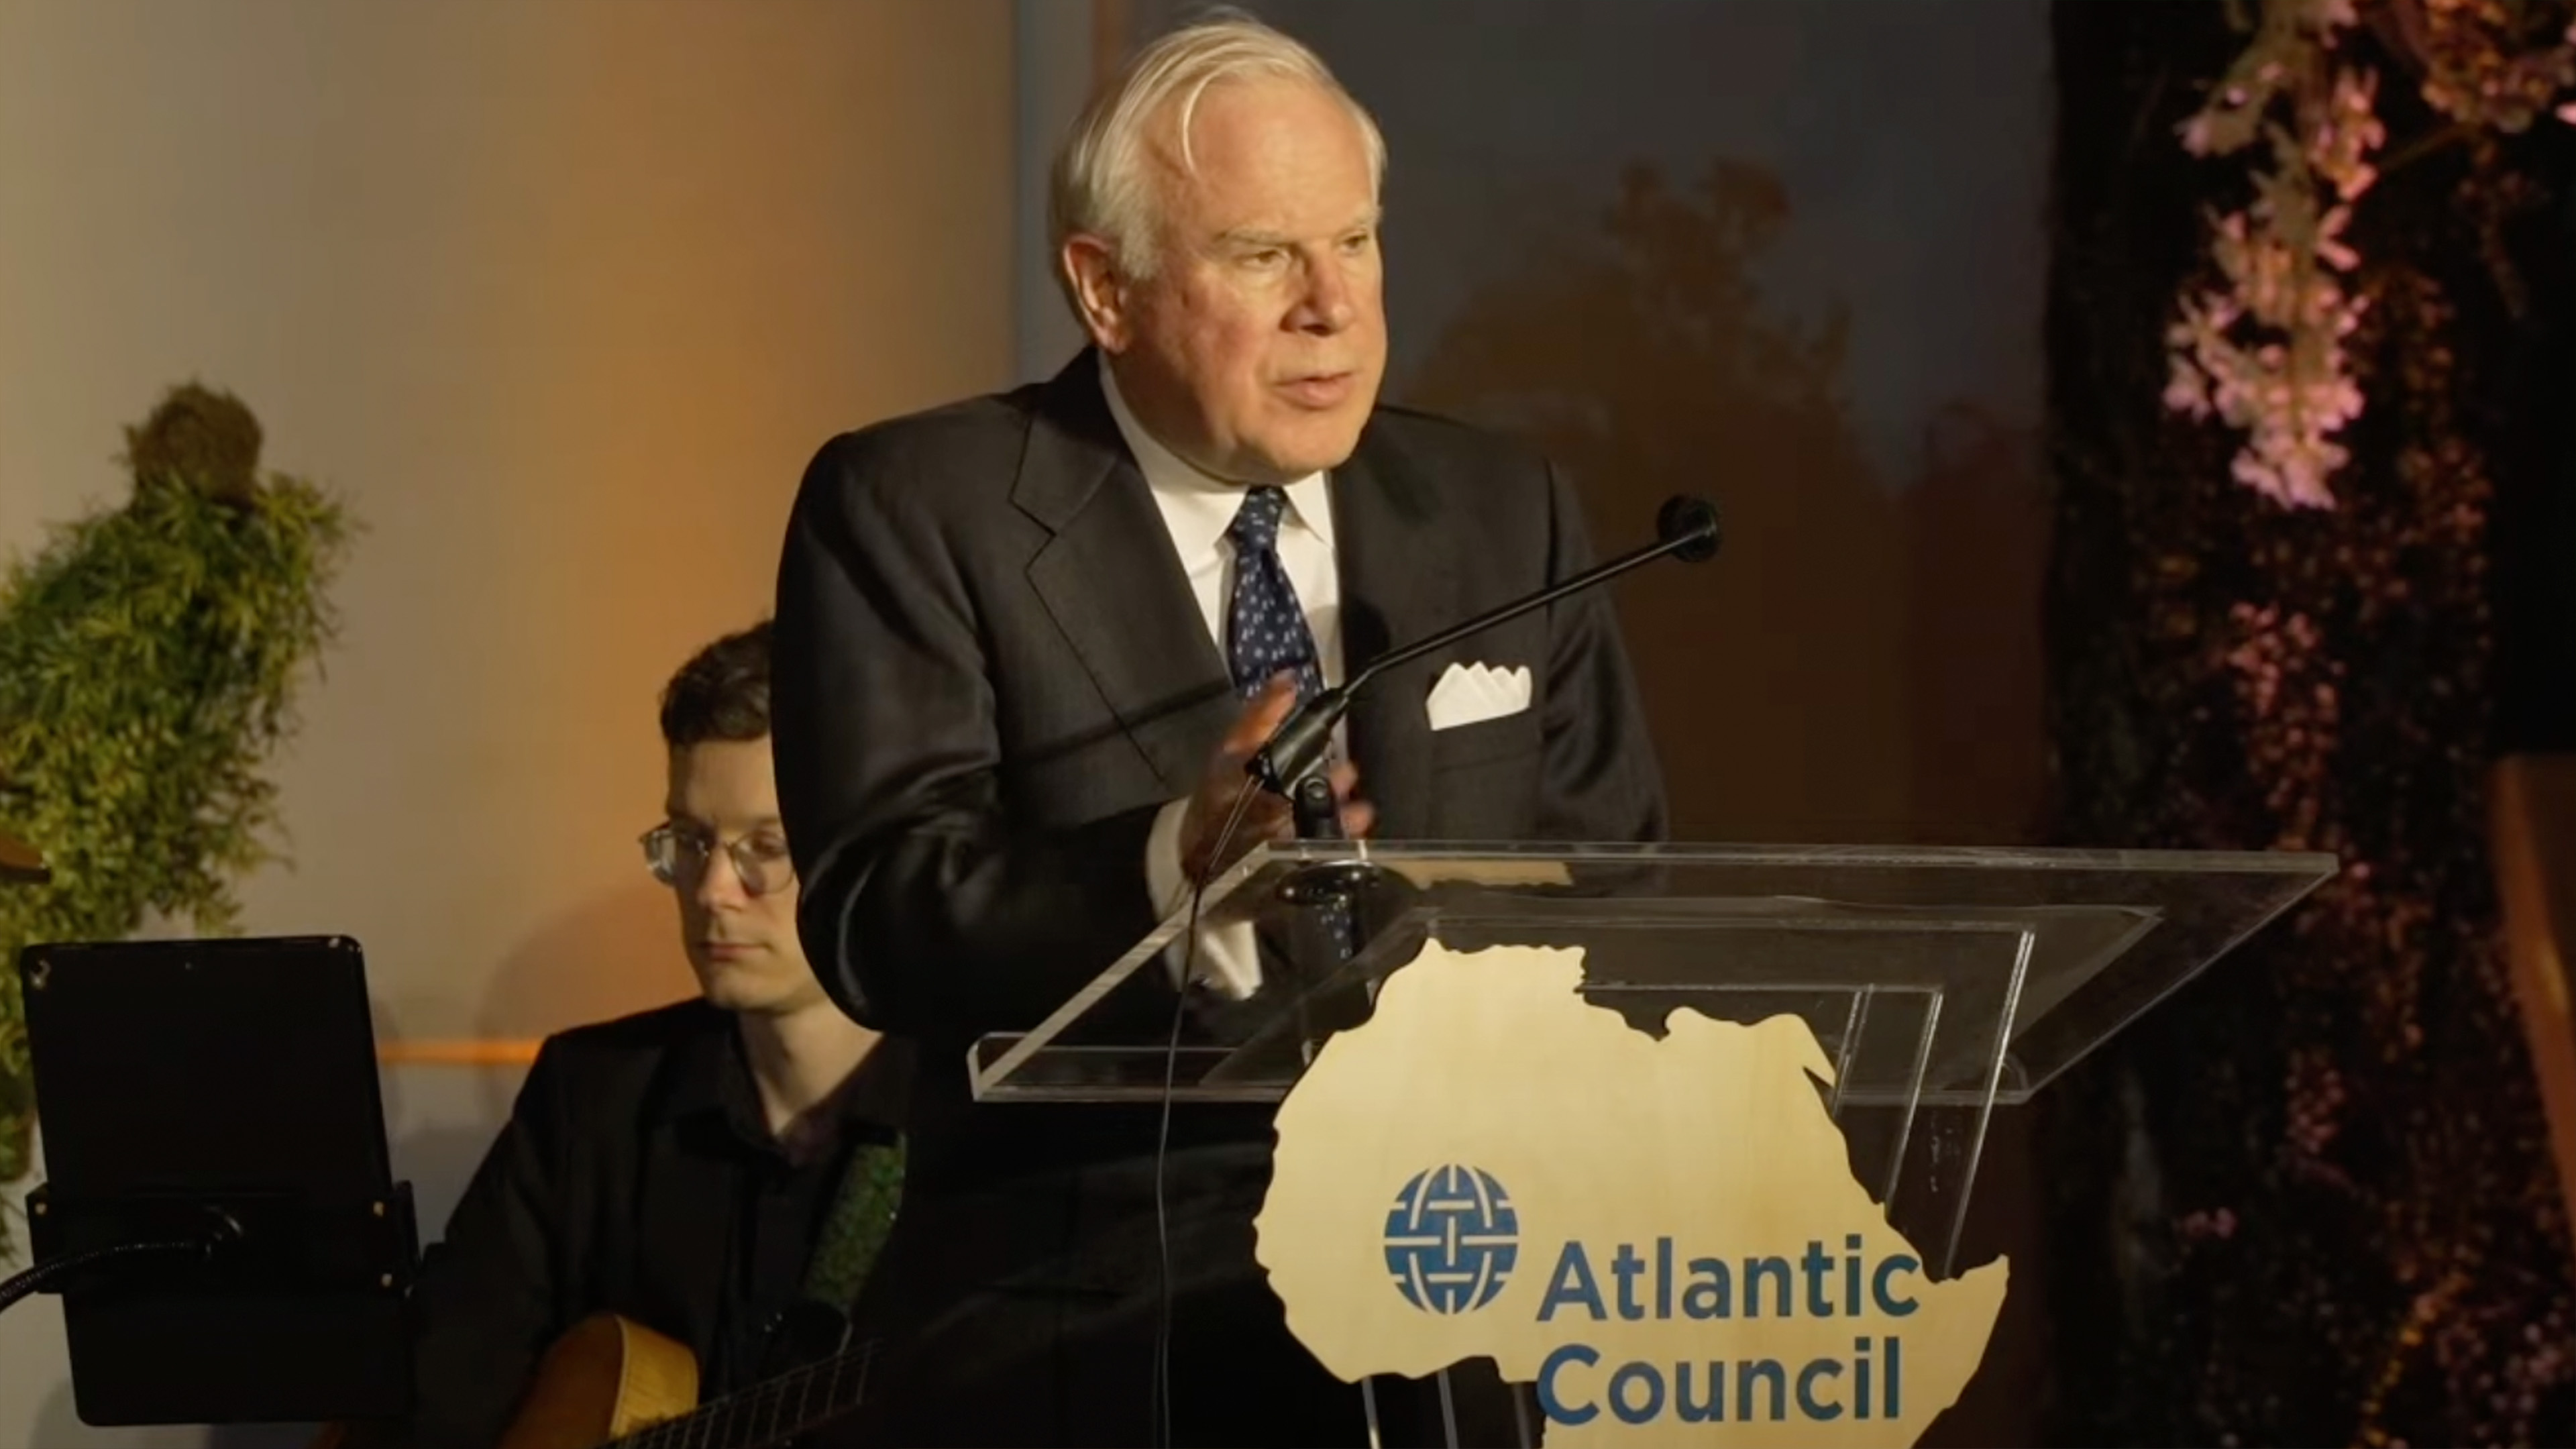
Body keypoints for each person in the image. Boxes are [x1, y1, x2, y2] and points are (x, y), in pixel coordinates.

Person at [773, 12, 1664, 1445]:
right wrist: (1162, 873)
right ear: (1105, 289)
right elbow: (877, 907)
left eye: (1357, 242)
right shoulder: (919, 510)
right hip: (1093, 1334)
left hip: (1470, 1312)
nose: (1335, 306)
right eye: (1263, 256)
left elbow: (1614, 885)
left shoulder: (1505, 512)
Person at [362, 622, 913, 1448]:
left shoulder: (977, 1121)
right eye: (691, 843)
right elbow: (439, 1386)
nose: (714, 890)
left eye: (764, 847)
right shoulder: (592, 1097)